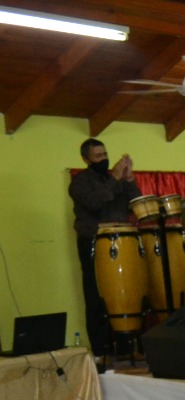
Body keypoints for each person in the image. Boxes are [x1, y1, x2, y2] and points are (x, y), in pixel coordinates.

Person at [67, 137, 140, 360]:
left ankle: (126, 347)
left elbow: (136, 204)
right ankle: (100, 351)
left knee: (124, 292)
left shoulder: (114, 179)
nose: (104, 159)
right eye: (98, 156)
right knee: (96, 295)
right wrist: (115, 179)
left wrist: (129, 179)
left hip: (122, 241)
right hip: (93, 242)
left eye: (105, 154)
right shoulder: (79, 182)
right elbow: (94, 202)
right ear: (86, 159)